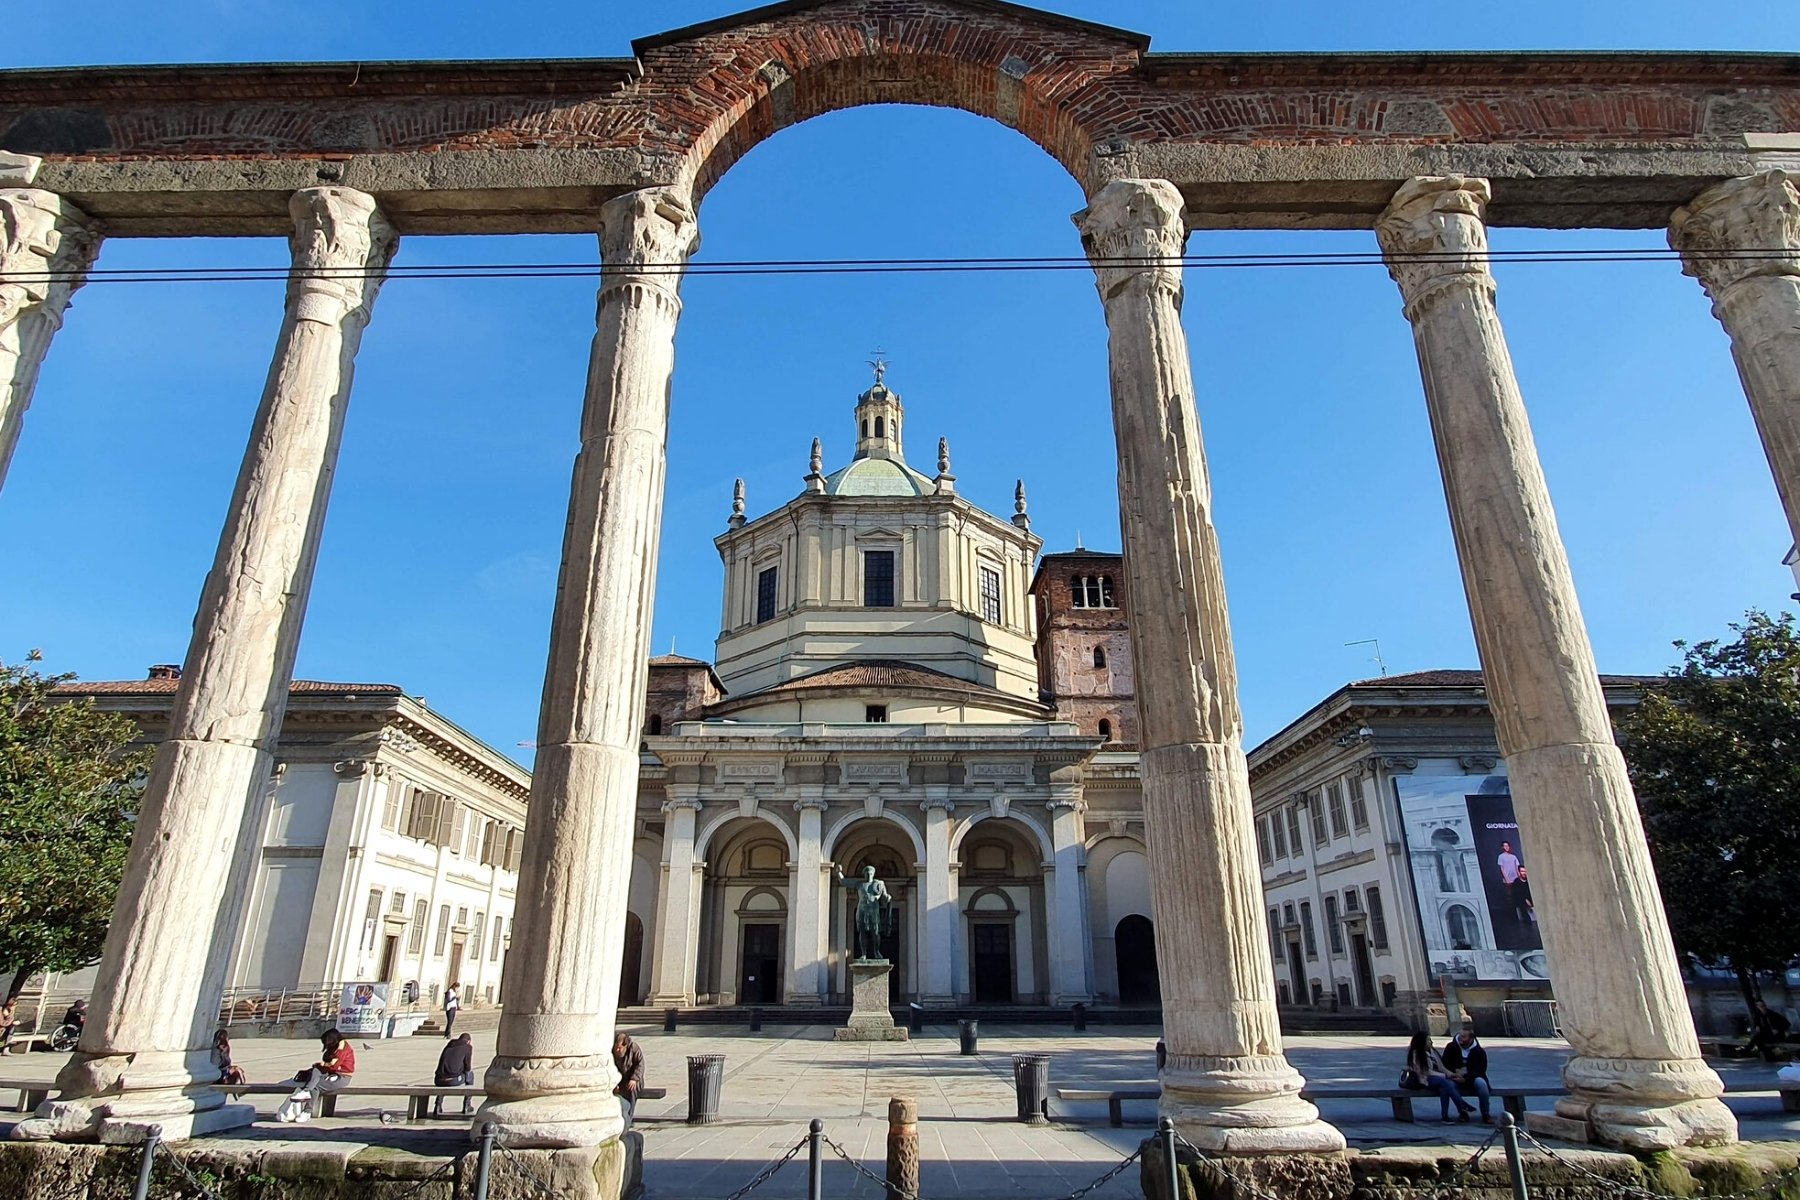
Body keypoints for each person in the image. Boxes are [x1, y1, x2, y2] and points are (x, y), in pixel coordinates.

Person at [277, 1030, 356, 1123]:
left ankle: (307, 1112)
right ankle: (306, 1091)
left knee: (316, 1086)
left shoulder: (341, 1049)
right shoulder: (335, 1047)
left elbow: (333, 1065)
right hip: (331, 1072)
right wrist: (319, 1066)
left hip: (342, 1076)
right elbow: (327, 1063)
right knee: (316, 1071)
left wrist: (322, 1064)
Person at [1405, 1031, 1474, 1123]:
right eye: (1428, 1040)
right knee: (1445, 1082)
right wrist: (1444, 1076)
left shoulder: (1432, 1051)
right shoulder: (1416, 1054)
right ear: (1422, 1042)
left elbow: (1441, 1067)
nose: (1431, 1042)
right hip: (1425, 1079)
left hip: (1439, 1078)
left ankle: (1445, 1116)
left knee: (1445, 1088)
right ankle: (1461, 1105)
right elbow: (1426, 1072)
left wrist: (1451, 1074)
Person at [1441, 1026, 1491, 1123]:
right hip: (1455, 1077)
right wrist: (1455, 1074)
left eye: (1464, 1037)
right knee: (1448, 1085)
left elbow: (1480, 1070)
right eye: (1460, 1035)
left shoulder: (1479, 1051)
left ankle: (1485, 1114)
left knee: (1482, 1084)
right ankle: (1462, 1113)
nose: (1460, 1038)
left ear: (1471, 1039)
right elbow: (1444, 1064)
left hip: (1473, 1078)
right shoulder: (1451, 1047)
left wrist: (1466, 1078)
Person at [433, 1033, 475, 1116]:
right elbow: (468, 1067)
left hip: (438, 1080)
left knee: (444, 1077)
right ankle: (467, 1104)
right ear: (469, 1041)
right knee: (470, 1075)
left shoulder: (449, 1045)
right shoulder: (468, 1047)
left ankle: (438, 1105)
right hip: (453, 1080)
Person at [613, 1031, 645, 1129]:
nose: (618, 1050)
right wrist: (614, 1082)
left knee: (632, 1090)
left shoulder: (634, 1048)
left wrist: (634, 1079)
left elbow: (640, 1065)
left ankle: (629, 1118)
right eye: (616, 1047)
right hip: (619, 1079)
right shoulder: (612, 1051)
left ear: (625, 1046)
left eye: (620, 1048)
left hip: (632, 1079)